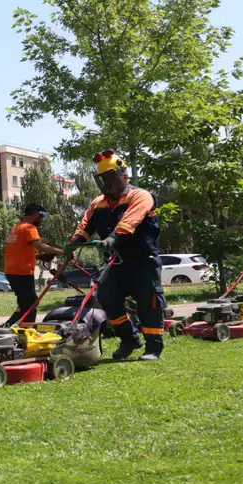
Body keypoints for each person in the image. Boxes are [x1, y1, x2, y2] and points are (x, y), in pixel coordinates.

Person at [69, 149, 166, 361]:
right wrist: (72, 244)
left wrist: (112, 238)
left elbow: (129, 221)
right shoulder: (98, 203)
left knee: (148, 301)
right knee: (107, 297)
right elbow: (85, 225)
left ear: (124, 175)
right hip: (116, 262)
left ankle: (153, 348)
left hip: (143, 261)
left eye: (111, 177)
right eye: (103, 179)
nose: (108, 183)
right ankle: (129, 338)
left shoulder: (140, 196)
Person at [1, 202, 65, 327]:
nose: (42, 218)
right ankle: (26, 330)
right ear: (35, 214)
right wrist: (62, 252)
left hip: (12, 272)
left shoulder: (16, 228)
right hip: (22, 273)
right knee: (31, 304)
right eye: (41, 215)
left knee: (25, 303)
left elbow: (17, 251)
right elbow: (40, 246)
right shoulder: (29, 228)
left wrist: (40, 257)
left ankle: (8, 325)